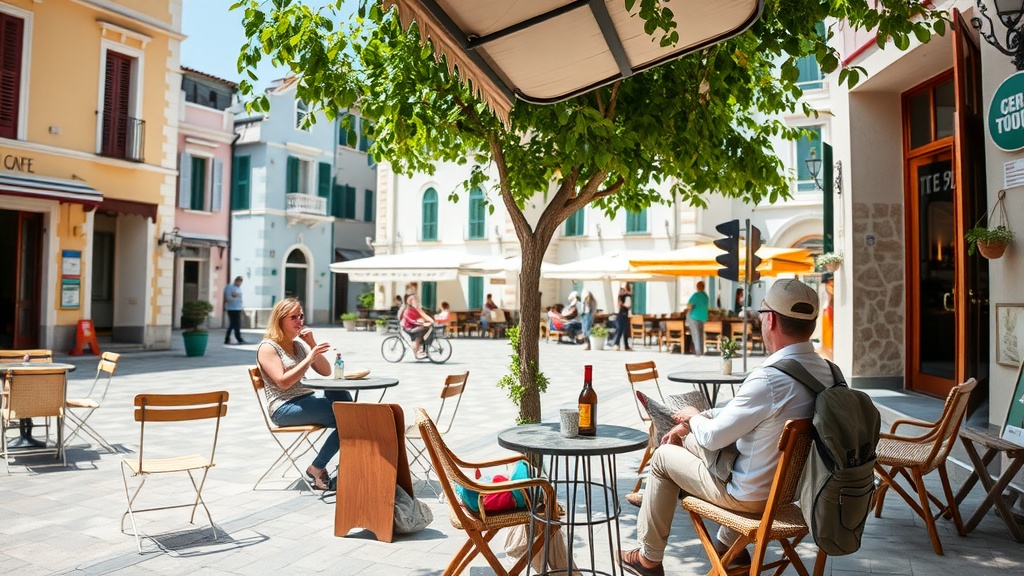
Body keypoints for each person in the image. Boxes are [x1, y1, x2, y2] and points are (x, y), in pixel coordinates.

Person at [621, 279, 831, 576]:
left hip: (752, 499)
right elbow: (741, 412)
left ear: (769, 319)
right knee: (681, 440)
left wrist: (693, 418)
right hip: (793, 492)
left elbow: (712, 438)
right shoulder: (828, 372)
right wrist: (695, 420)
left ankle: (648, 558)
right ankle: (727, 549)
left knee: (662, 458)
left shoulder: (769, 379)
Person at [256, 298, 352, 491]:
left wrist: (311, 344)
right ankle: (317, 468)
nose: (299, 321)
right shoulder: (268, 347)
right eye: (293, 317)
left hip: (306, 400)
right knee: (349, 417)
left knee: (345, 401)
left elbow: (325, 372)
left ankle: (348, 462)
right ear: (280, 320)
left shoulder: (298, 345)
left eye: (301, 316)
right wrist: (309, 358)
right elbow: (283, 382)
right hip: (284, 407)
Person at [401, 294, 435, 359]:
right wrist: (422, 324)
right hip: (408, 328)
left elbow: (423, 315)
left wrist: (432, 321)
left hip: (414, 326)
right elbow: (411, 321)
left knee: (426, 329)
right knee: (420, 331)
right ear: (410, 302)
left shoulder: (417, 308)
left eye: (416, 300)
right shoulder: (407, 310)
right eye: (414, 300)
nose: (416, 301)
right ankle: (416, 351)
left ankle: (422, 348)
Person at [685, 281, 710, 356]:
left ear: (697, 287)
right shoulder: (705, 296)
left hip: (694, 316)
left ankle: (698, 352)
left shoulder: (696, 295)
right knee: (700, 334)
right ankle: (701, 351)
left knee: (696, 334)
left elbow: (690, 306)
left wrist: (687, 308)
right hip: (703, 317)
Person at [223, 276, 246, 344]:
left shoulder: (238, 288)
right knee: (234, 323)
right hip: (232, 308)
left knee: (236, 324)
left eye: (240, 282)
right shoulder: (230, 287)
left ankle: (234, 337)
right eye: (238, 281)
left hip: (238, 308)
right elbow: (227, 298)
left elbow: (238, 297)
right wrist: (233, 297)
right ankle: (233, 338)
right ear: (236, 281)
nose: (239, 283)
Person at [612, 283, 633, 351]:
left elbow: (628, 306)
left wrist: (623, 305)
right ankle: (617, 344)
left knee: (624, 330)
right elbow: (627, 306)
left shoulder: (624, 297)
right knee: (620, 330)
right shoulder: (622, 297)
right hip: (621, 315)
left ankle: (624, 345)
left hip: (623, 315)